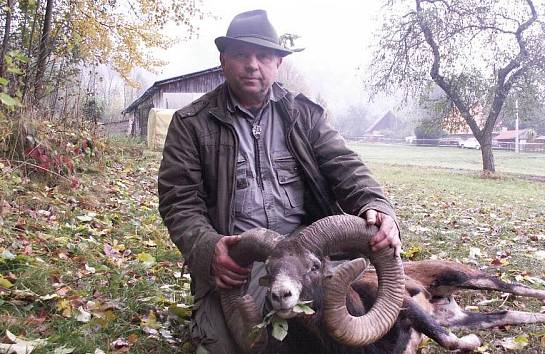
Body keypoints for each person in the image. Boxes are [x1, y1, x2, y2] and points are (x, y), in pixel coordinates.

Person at [157, 9, 401, 354]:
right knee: (232, 347)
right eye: (241, 54)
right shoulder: (192, 124)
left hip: (309, 257)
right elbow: (178, 202)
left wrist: (375, 204)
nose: (252, 64)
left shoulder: (304, 115)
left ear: (278, 63)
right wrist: (207, 248)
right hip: (242, 263)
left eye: (263, 55)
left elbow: (346, 166)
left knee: (353, 333)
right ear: (224, 60)